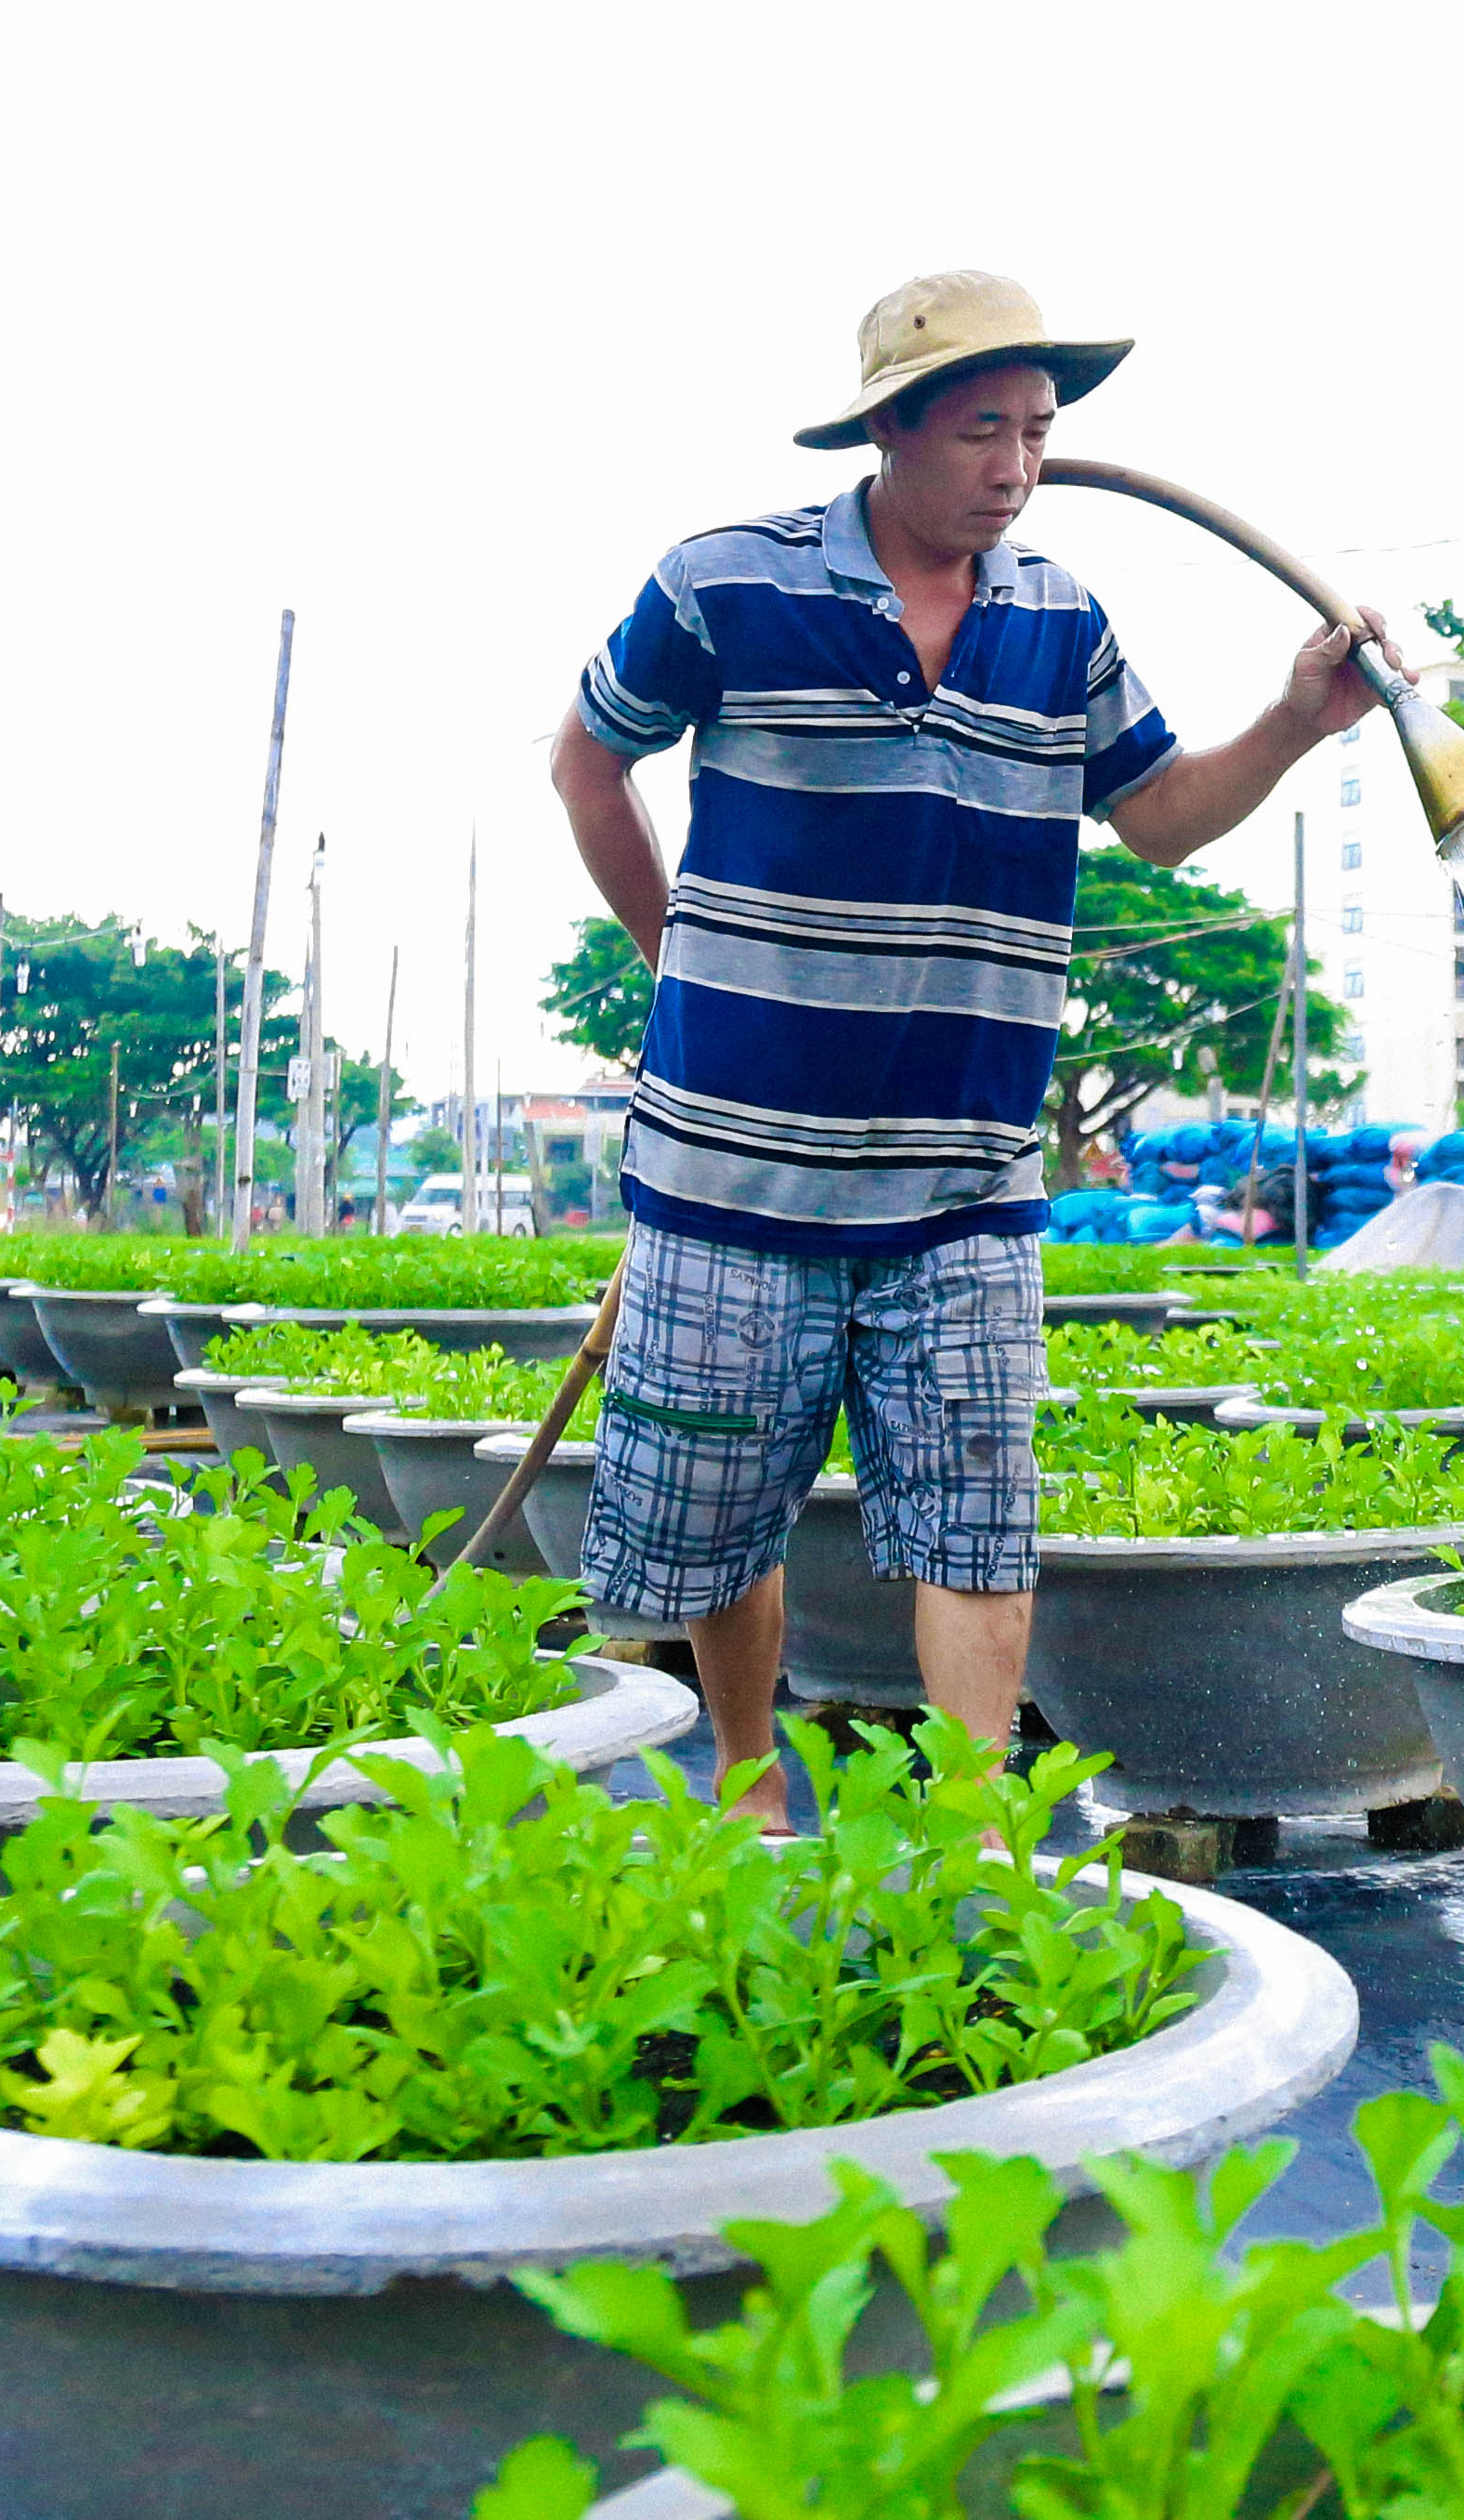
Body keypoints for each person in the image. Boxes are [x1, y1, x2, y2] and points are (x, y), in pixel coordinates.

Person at [551, 270, 1392, 1822]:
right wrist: (676, 960)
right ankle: (746, 1772)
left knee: (974, 1522)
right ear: (889, 430)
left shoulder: (1059, 618)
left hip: (967, 1173)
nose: (1015, 465)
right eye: (981, 430)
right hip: (737, 1168)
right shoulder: (725, 583)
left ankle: (976, 1831)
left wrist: (1294, 723)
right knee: (722, 1513)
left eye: (1038, 430)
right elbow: (587, 761)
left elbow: (1159, 817)